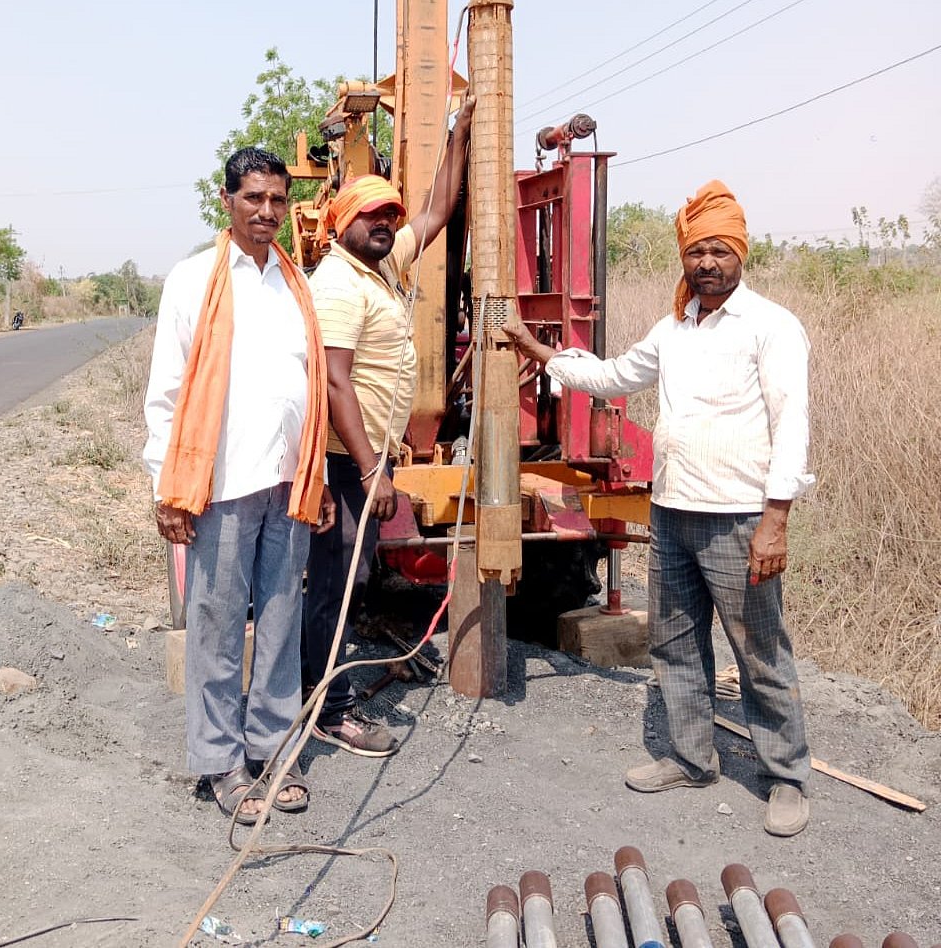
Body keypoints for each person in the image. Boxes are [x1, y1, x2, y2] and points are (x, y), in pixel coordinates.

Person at [504, 180, 815, 837]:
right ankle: (689, 757)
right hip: (672, 510)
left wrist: (777, 519)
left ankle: (785, 776)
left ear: (740, 254)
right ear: (685, 257)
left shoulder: (772, 327)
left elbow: (792, 427)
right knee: (675, 645)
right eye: (697, 250)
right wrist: (542, 353)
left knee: (759, 650)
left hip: (739, 517)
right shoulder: (675, 328)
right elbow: (615, 374)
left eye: (718, 250)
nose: (707, 262)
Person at [143, 146, 337, 824]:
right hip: (220, 485)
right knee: (219, 630)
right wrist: (166, 486)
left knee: (280, 626)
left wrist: (320, 478)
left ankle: (274, 746)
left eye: (279, 200)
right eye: (254, 198)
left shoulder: (295, 282)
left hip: (289, 484)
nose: (267, 212)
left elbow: (309, 386)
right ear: (226, 200)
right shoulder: (194, 280)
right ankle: (222, 763)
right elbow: (168, 391)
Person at [302, 98, 475, 757]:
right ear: (343, 223)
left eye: (388, 216)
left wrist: (456, 137)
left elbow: (436, 210)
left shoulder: (384, 266)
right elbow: (335, 379)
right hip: (345, 461)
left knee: (347, 581)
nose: (385, 224)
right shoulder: (341, 285)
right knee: (337, 590)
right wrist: (375, 470)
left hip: (365, 461)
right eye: (371, 215)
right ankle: (330, 712)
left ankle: (314, 697)